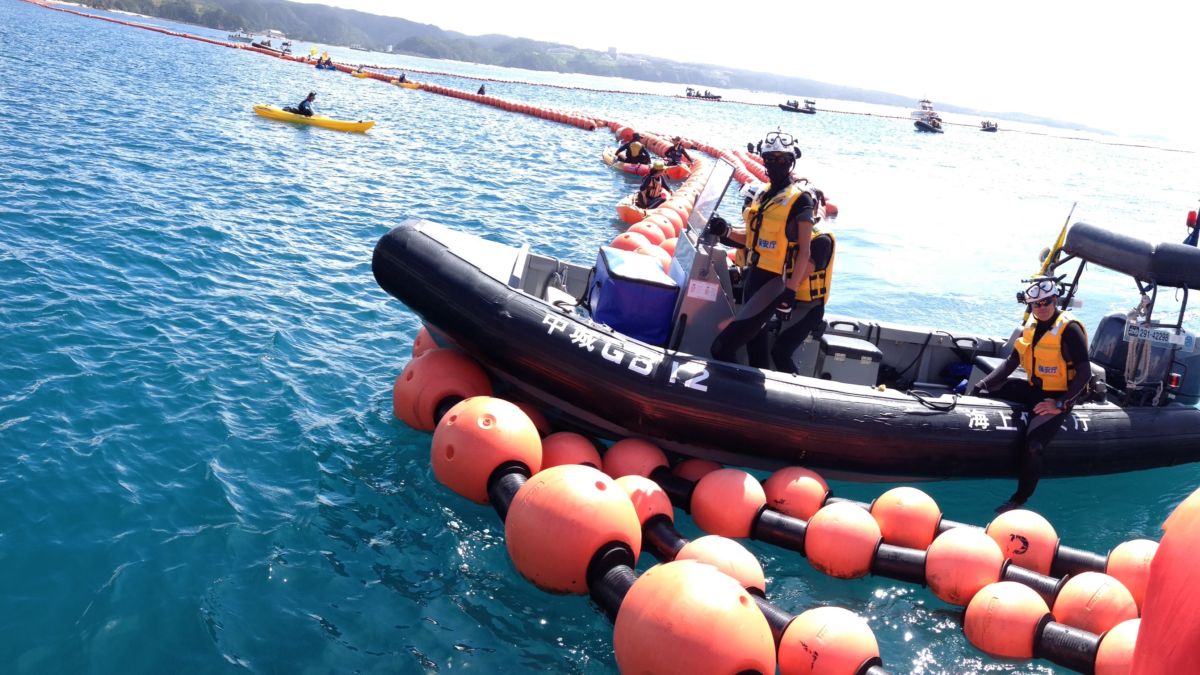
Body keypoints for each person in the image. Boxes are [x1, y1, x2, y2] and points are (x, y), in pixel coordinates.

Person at [969, 278, 1090, 513]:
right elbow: (1011, 362)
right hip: (1036, 389)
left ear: (1055, 300)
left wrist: (1060, 404)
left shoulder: (1070, 329)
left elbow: (1084, 373)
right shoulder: (1031, 325)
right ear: (1030, 305)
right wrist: (980, 386)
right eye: (1036, 304)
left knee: (1034, 445)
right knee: (987, 391)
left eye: (1046, 302)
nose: (1042, 308)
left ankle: (1019, 499)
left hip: (1060, 395)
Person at [707, 129, 815, 369]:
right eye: (770, 158)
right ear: (763, 160)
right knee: (755, 347)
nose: (776, 163)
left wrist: (790, 291)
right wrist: (726, 231)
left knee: (722, 348)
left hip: (773, 284)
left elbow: (805, 252)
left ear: (791, 161)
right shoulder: (762, 194)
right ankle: (754, 389)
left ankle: (734, 391)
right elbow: (752, 239)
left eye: (782, 159)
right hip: (752, 277)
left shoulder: (800, 200)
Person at [770, 213, 834, 373]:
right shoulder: (790, 236)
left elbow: (808, 267)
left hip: (809, 308)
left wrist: (787, 293)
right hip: (790, 302)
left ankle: (794, 385)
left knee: (780, 352)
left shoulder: (821, 240)